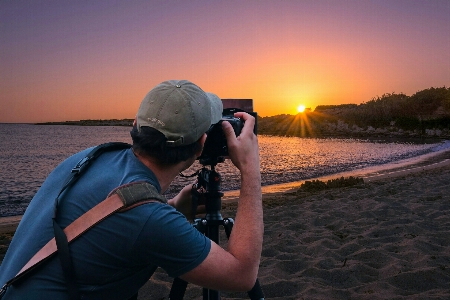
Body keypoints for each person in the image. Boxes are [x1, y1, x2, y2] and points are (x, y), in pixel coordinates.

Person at [0, 80, 263, 299]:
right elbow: (242, 275)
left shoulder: (90, 157)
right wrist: (250, 169)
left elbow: (115, 223)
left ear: (135, 124)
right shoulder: (148, 218)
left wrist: (171, 207)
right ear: (201, 145)